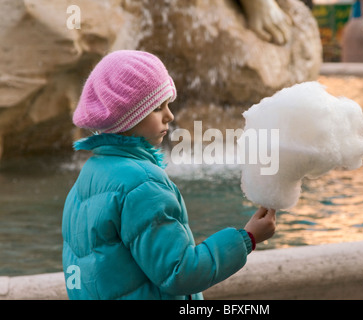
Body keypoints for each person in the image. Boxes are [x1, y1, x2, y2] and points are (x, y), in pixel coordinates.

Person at [62, 50, 277, 300]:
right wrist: (247, 238)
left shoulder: (89, 176)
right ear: (128, 117)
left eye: (168, 104)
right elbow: (180, 272)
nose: (170, 116)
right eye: (157, 107)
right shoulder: (142, 183)